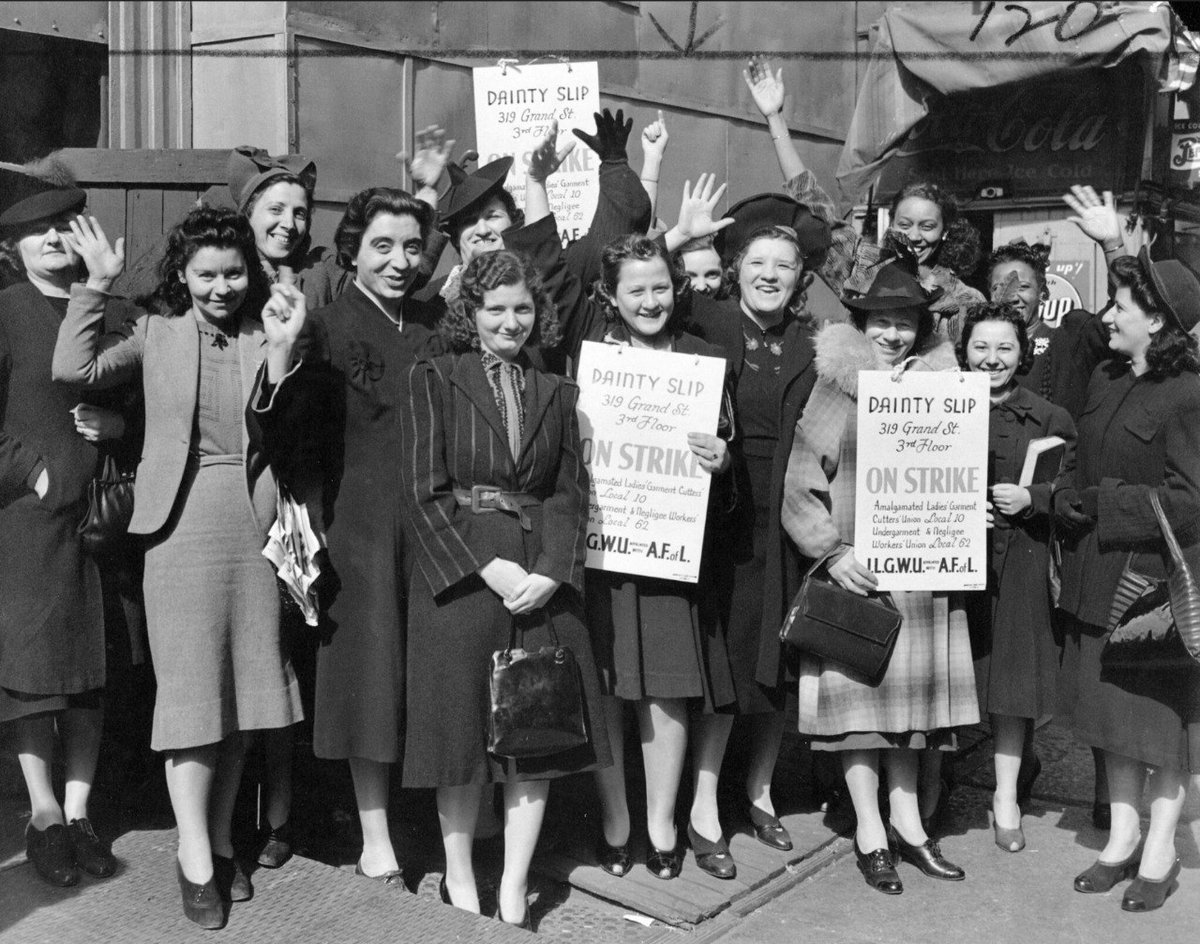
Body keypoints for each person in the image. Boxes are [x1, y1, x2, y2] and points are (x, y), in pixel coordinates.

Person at [52, 206, 307, 929]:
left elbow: (282, 429)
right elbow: (75, 368)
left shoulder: (267, 334)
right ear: (183, 276)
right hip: (178, 528)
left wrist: (286, 351)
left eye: (233, 273)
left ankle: (223, 837)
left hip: (249, 524)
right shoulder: (154, 333)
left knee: (244, 699)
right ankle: (194, 854)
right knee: (194, 698)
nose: (221, 286)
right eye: (206, 274)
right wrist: (93, 286)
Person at [397, 250, 611, 929]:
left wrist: (551, 571)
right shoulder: (434, 378)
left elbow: (568, 494)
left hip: (538, 579)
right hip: (464, 577)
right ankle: (460, 880)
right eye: (496, 309)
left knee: (535, 735)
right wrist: (486, 568)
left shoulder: (559, 392)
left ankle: (515, 887)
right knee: (458, 739)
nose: (510, 322)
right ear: (472, 314)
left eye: (522, 308)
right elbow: (423, 494)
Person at [781, 260, 979, 896]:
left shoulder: (946, 386)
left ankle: (910, 827)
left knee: (910, 717)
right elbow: (799, 483)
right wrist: (833, 553)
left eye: (904, 323)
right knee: (861, 715)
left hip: (923, 570)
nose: (892, 335)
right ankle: (871, 832)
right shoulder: (838, 386)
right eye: (881, 323)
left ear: (921, 328)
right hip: (861, 573)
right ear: (861, 325)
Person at [292, 187, 443, 888]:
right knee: (370, 675)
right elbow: (295, 442)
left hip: (435, 522)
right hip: (359, 524)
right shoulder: (322, 326)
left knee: (429, 671)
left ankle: (436, 827)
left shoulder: (436, 321)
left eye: (412, 246)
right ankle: (375, 837)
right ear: (350, 249)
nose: (399, 260)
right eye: (382, 245)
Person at [679, 194, 833, 855]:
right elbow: (629, 289)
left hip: (790, 520)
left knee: (779, 664)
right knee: (725, 661)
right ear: (737, 268)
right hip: (725, 518)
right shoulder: (708, 321)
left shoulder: (817, 345)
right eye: (759, 263)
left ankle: (760, 791)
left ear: (802, 279)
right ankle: (704, 804)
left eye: (786, 266)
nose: (771, 275)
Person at [1054, 248, 1200, 912]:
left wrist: (1106, 504)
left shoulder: (1191, 392)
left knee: (1157, 727)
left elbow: (1192, 498)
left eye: (1122, 305)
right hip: (1094, 572)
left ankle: (1161, 851)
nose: (1109, 313)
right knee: (1111, 719)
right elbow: (1078, 455)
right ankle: (1122, 841)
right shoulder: (1108, 377)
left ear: (1158, 322)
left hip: (1147, 585)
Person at [0, 158, 131, 888]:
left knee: (88, 674)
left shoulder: (113, 312)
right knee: (33, 677)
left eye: (62, 224)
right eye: (32, 229)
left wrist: (117, 422)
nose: (50, 237)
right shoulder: (5, 310)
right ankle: (44, 813)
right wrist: (31, 470)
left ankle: (80, 813)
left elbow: (150, 414)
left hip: (100, 522)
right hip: (27, 522)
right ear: (11, 244)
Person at [745, 56, 984, 346]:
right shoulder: (863, 269)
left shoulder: (964, 300)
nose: (914, 235)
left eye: (927, 226)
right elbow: (812, 204)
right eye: (905, 223)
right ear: (891, 223)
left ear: (945, 231)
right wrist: (774, 118)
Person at [958, 302, 1076, 852]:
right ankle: (931, 790)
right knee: (952, 677)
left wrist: (1033, 498)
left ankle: (1006, 796)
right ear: (964, 350)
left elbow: (1075, 496)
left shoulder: (1052, 419)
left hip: (1022, 562)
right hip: (951, 566)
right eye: (980, 346)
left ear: (1023, 354)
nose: (991, 359)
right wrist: (960, 509)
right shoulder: (937, 408)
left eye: (1005, 347)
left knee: (1012, 686)